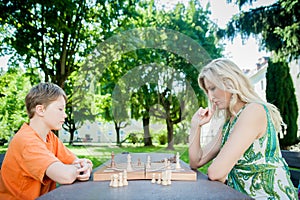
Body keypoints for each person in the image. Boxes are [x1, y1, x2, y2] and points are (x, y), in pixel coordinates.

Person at [189, 58, 297, 199]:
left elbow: (216, 173)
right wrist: (195, 125)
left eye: (213, 88)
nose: (210, 96)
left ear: (230, 83)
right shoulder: (230, 123)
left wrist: (221, 172)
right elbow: (196, 161)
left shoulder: (253, 111)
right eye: (207, 91)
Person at [0, 82, 93, 200]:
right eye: (60, 109)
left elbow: (76, 162)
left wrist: (86, 166)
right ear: (40, 110)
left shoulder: (50, 137)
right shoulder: (26, 141)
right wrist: (78, 169)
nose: (65, 115)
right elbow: (65, 176)